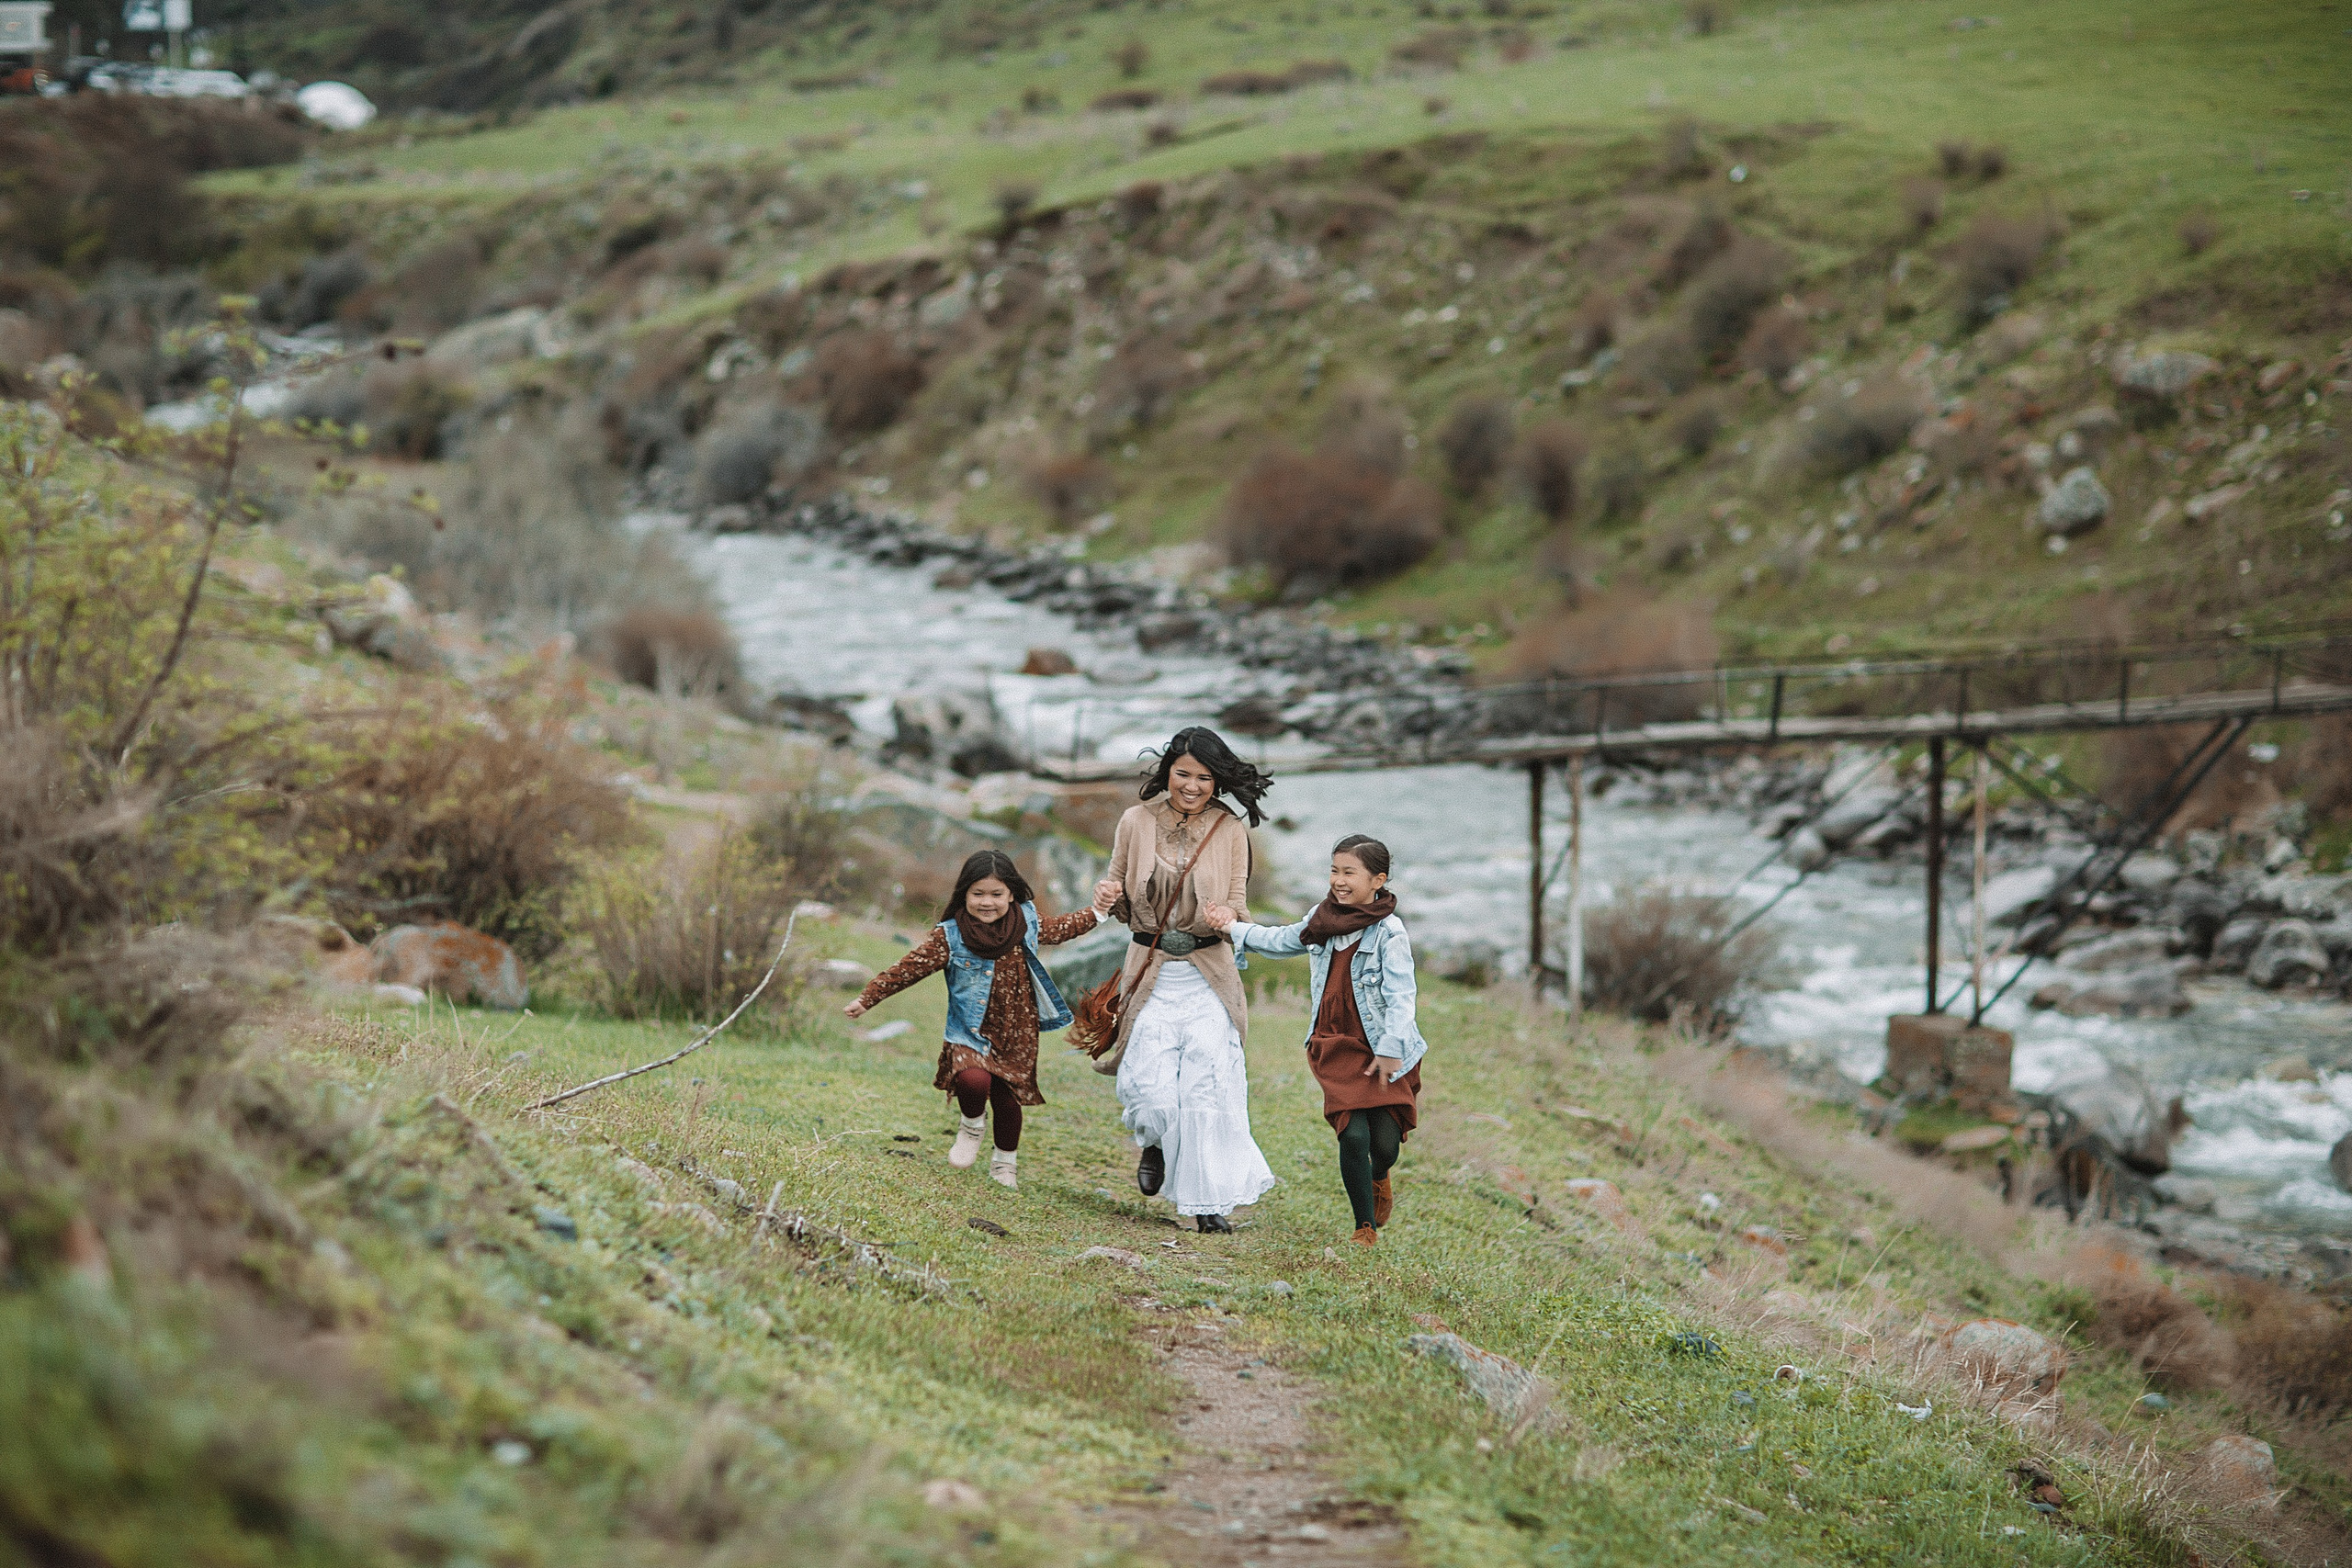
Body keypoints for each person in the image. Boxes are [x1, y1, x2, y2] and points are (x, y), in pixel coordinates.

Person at [1090, 727, 1277, 1233]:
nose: (1192, 786)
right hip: (1149, 974)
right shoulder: (1134, 822)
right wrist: (1107, 900)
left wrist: (1228, 919)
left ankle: (1205, 1203)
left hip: (1207, 978)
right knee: (1151, 1095)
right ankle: (1153, 1143)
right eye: (1183, 774)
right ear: (1167, 771)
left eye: (1204, 778)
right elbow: (1119, 893)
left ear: (1218, 782)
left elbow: (1238, 904)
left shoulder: (1231, 831)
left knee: (1205, 1093)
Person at [1206, 834, 1426, 1247]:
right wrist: (1232, 927)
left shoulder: (1390, 933)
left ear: (1377, 880)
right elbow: (1282, 940)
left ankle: (1380, 1175)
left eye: (1349, 873)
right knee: (1353, 1135)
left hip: (1381, 1044)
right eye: (1334, 870)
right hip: (1334, 1041)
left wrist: (1391, 1048)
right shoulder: (1322, 917)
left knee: (1384, 1143)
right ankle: (1365, 1228)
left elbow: (1402, 996)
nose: (1338, 881)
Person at [846, 850, 1111, 1190]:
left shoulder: (1026, 921)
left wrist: (1099, 911)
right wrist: (868, 998)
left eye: (997, 894)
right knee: (973, 1081)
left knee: (1006, 1099)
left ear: (1011, 893)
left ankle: (1004, 1163)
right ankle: (971, 1124)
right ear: (964, 894)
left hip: (1018, 1032)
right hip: (969, 1030)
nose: (988, 902)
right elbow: (907, 969)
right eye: (978, 894)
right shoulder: (951, 936)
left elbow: (1061, 929)